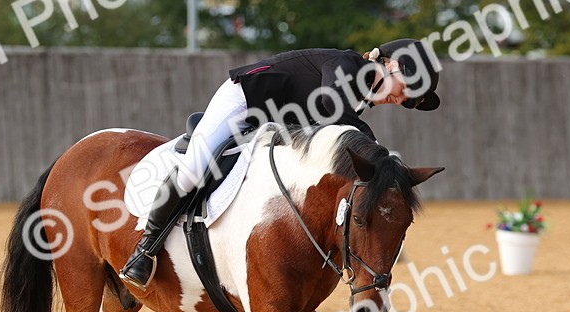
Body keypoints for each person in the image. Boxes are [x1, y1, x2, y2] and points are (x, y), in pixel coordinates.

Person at [118, 39, 442, 290]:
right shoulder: (345, 65)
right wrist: (375, 153)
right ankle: (145, 250)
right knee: (193, 169)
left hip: (273, 127)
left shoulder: (359, 99)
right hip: (244, 103)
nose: (402, 101)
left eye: (410, 102)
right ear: (391, 64)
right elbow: (331, 109)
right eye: (408, 91)